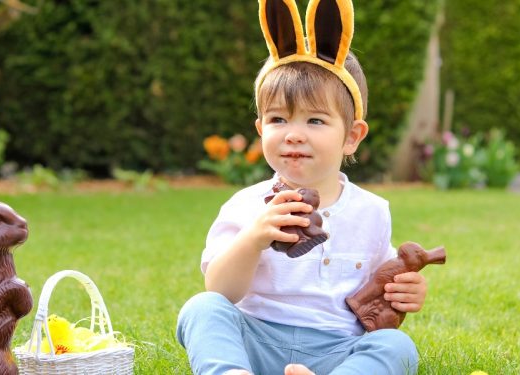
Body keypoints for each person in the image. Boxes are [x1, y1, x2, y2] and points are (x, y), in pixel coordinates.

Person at [177, 1, 427, 374]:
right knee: (201, 309)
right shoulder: (246, 206)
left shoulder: (372, 212)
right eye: (279, 119)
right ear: (261, 130)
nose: (294, 134)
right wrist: (253, 239)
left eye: (315, 120)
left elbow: (379, 286)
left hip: (336, 347)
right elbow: (220, 290)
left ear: (352, 137)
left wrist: (405, 292)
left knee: (397, 346)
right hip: (256, 338)